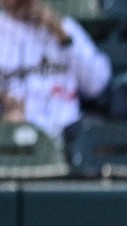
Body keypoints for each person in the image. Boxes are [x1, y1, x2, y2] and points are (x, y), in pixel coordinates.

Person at [0, 0, 110, 139]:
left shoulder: (66, 27)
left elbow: (96, 86)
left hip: (68, 130)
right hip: (17, 131)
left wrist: (61, 34)